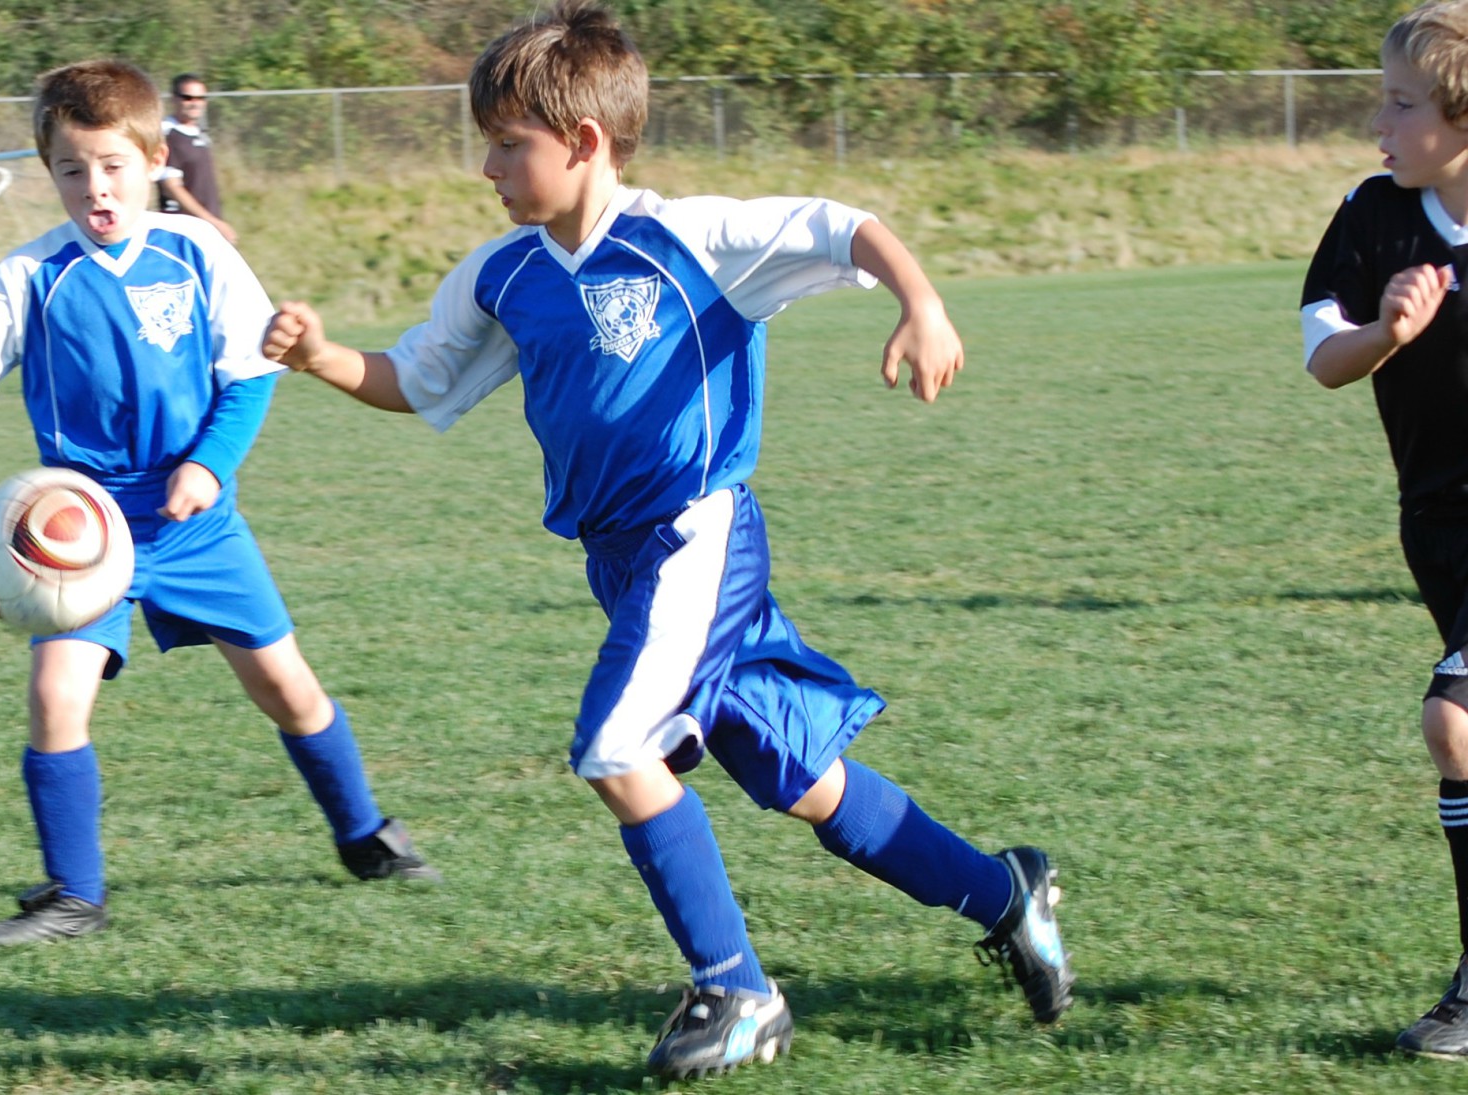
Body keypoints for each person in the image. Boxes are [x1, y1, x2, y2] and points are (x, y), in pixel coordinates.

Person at [262, 0, 1073, 1079]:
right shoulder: (501, 275)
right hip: (623, 564)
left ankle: (737, 993)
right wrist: (322, 357)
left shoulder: (691, 238)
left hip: (698, 537)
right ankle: (1005, 895)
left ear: (584, 143)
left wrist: (920, 301)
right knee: (805, 782)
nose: (489, 169)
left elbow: (846, 225)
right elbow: (416, 379)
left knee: (615, 749)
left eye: (509, 145)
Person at [0, 59, 437, 947]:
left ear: (156, 160)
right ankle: (73, 896)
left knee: (286, 686)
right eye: (73, 170)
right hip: (82, 531)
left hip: (198, 518)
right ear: (50, 173)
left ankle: (364, 833)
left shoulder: (200, 255)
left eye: (114, 166)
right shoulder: (29, 276)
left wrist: (208, 464)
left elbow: (251, 375)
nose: (96, 188)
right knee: (55, 695)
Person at [1300, 0, 1468, 1060]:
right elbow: (1322, 357)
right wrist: (1385, 333)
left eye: (1403, 104)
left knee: (1457, 723)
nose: (1381, 120)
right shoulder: (1373, 217)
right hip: (1439, 529)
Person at [156, 73, 237, 244]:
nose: (195, 103)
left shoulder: (198, 133)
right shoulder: (170, 135)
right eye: (188, 97)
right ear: (174, 99)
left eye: (200, 98)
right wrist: (212, 222)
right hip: (184, 230)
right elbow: (172, 186)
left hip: (204, 226)